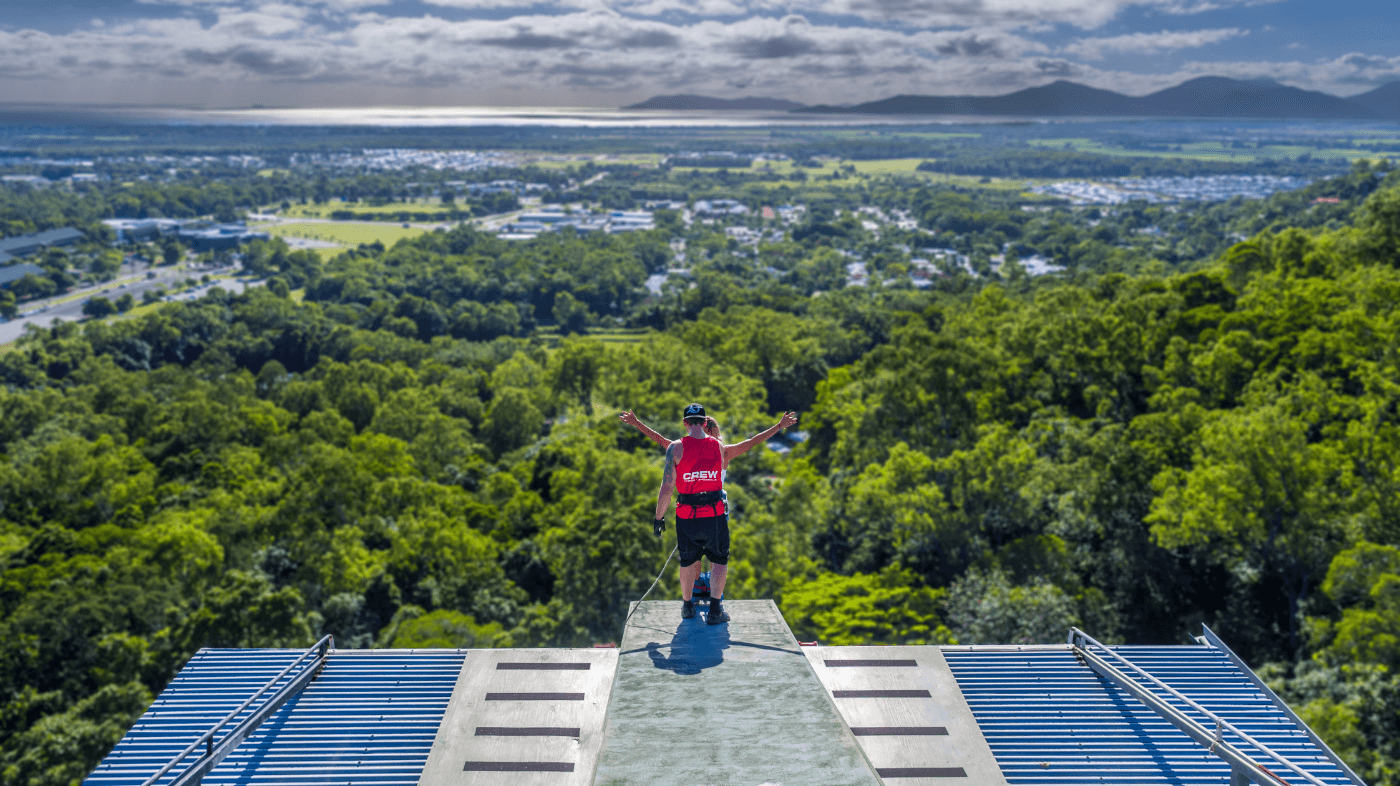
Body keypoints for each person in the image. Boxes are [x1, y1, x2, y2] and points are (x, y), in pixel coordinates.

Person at [627, 404, 798, 623]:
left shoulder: (676, 449)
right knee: (719, 559)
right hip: (715, 513)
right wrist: (779, 426)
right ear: (705, 423)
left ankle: (688, 606)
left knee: (688, 560)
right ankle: (715, 610)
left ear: (685, 423)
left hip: (687, 515)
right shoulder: (720, 449)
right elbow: (752, 442)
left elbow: (667, 486)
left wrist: (658, 518)